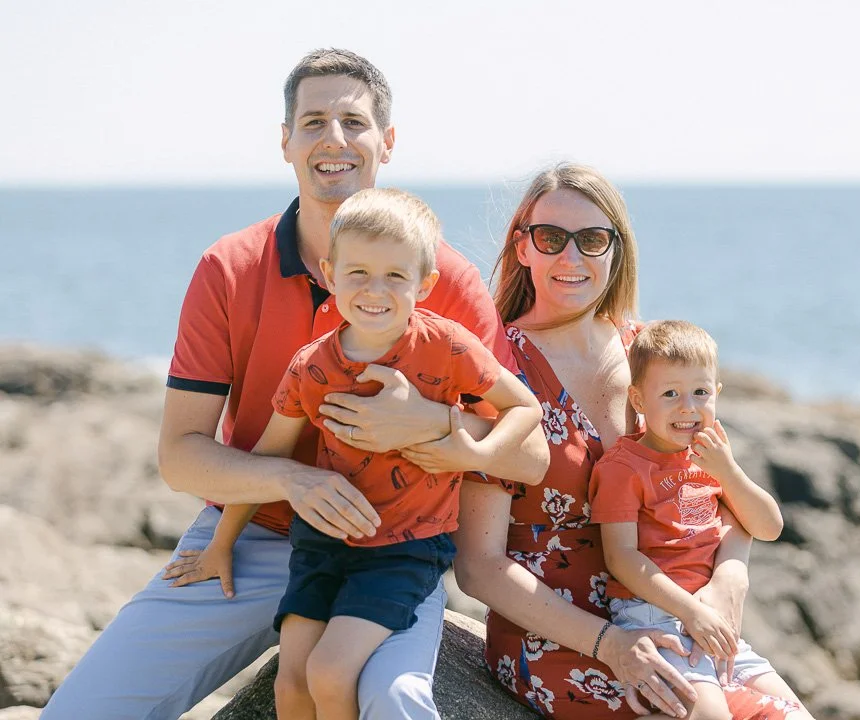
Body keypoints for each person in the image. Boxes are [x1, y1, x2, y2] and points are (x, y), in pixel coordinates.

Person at [42, 49, 548, 720]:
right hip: (251, 536)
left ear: (386, 143)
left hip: (389, 545)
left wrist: (433, 424)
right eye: (313, 121)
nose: (333, 139)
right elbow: (180, 455)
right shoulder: (228, 268)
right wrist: (291, 481)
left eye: (354, 121)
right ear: (286, 142)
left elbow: (529, 454)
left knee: (398, 704)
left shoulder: (442, 279)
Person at [421, 163, 812, 719]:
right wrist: (610, 644)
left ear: (616, 251)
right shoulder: (497, 373)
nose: (571, 257)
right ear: (523, 248)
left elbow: (718, 489)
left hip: (673, 616)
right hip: (561, 639)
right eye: (551, 238)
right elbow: (478, 566)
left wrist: (731, 575)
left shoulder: (651, 356)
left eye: (593, 239)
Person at [162, 188, 544, 720]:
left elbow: (525, 407)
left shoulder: (447, 346)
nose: (374, 290)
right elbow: (267, 458)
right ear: (330, 272)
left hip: (405, 547)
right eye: (358, 272)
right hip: (322, 543)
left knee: (330, 672)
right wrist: (221, 544)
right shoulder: (311, 366)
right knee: (292, 684)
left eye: (395, 275)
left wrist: (470, 451)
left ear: (425, 284)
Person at [591, 319, 787, 720]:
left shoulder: (713, 452)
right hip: (654, 612)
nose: (688, 408)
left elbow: (769, 527)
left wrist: (728, 471)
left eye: (701, 392)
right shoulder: (623, 468)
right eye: (670, 394)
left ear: (716, 392)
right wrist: (689, 612)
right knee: (710, 715)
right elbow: (622, 557)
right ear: (639, 400)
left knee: (793, 710)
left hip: (712, 617)